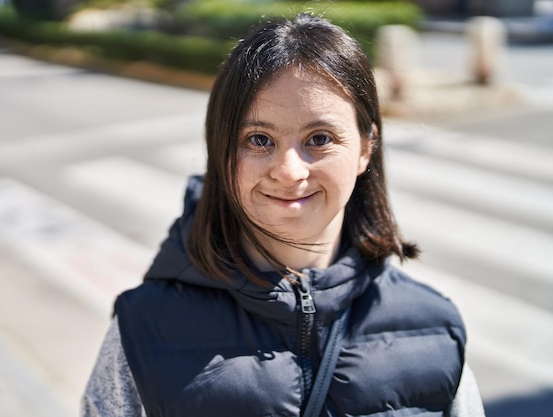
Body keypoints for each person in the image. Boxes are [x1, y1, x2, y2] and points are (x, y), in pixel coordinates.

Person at [81, 14, 486, 417]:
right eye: (259, 140)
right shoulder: (143, 329)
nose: (290, 171)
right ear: (221, 152)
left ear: (366, 147)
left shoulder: (435, 328)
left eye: (320, 139)